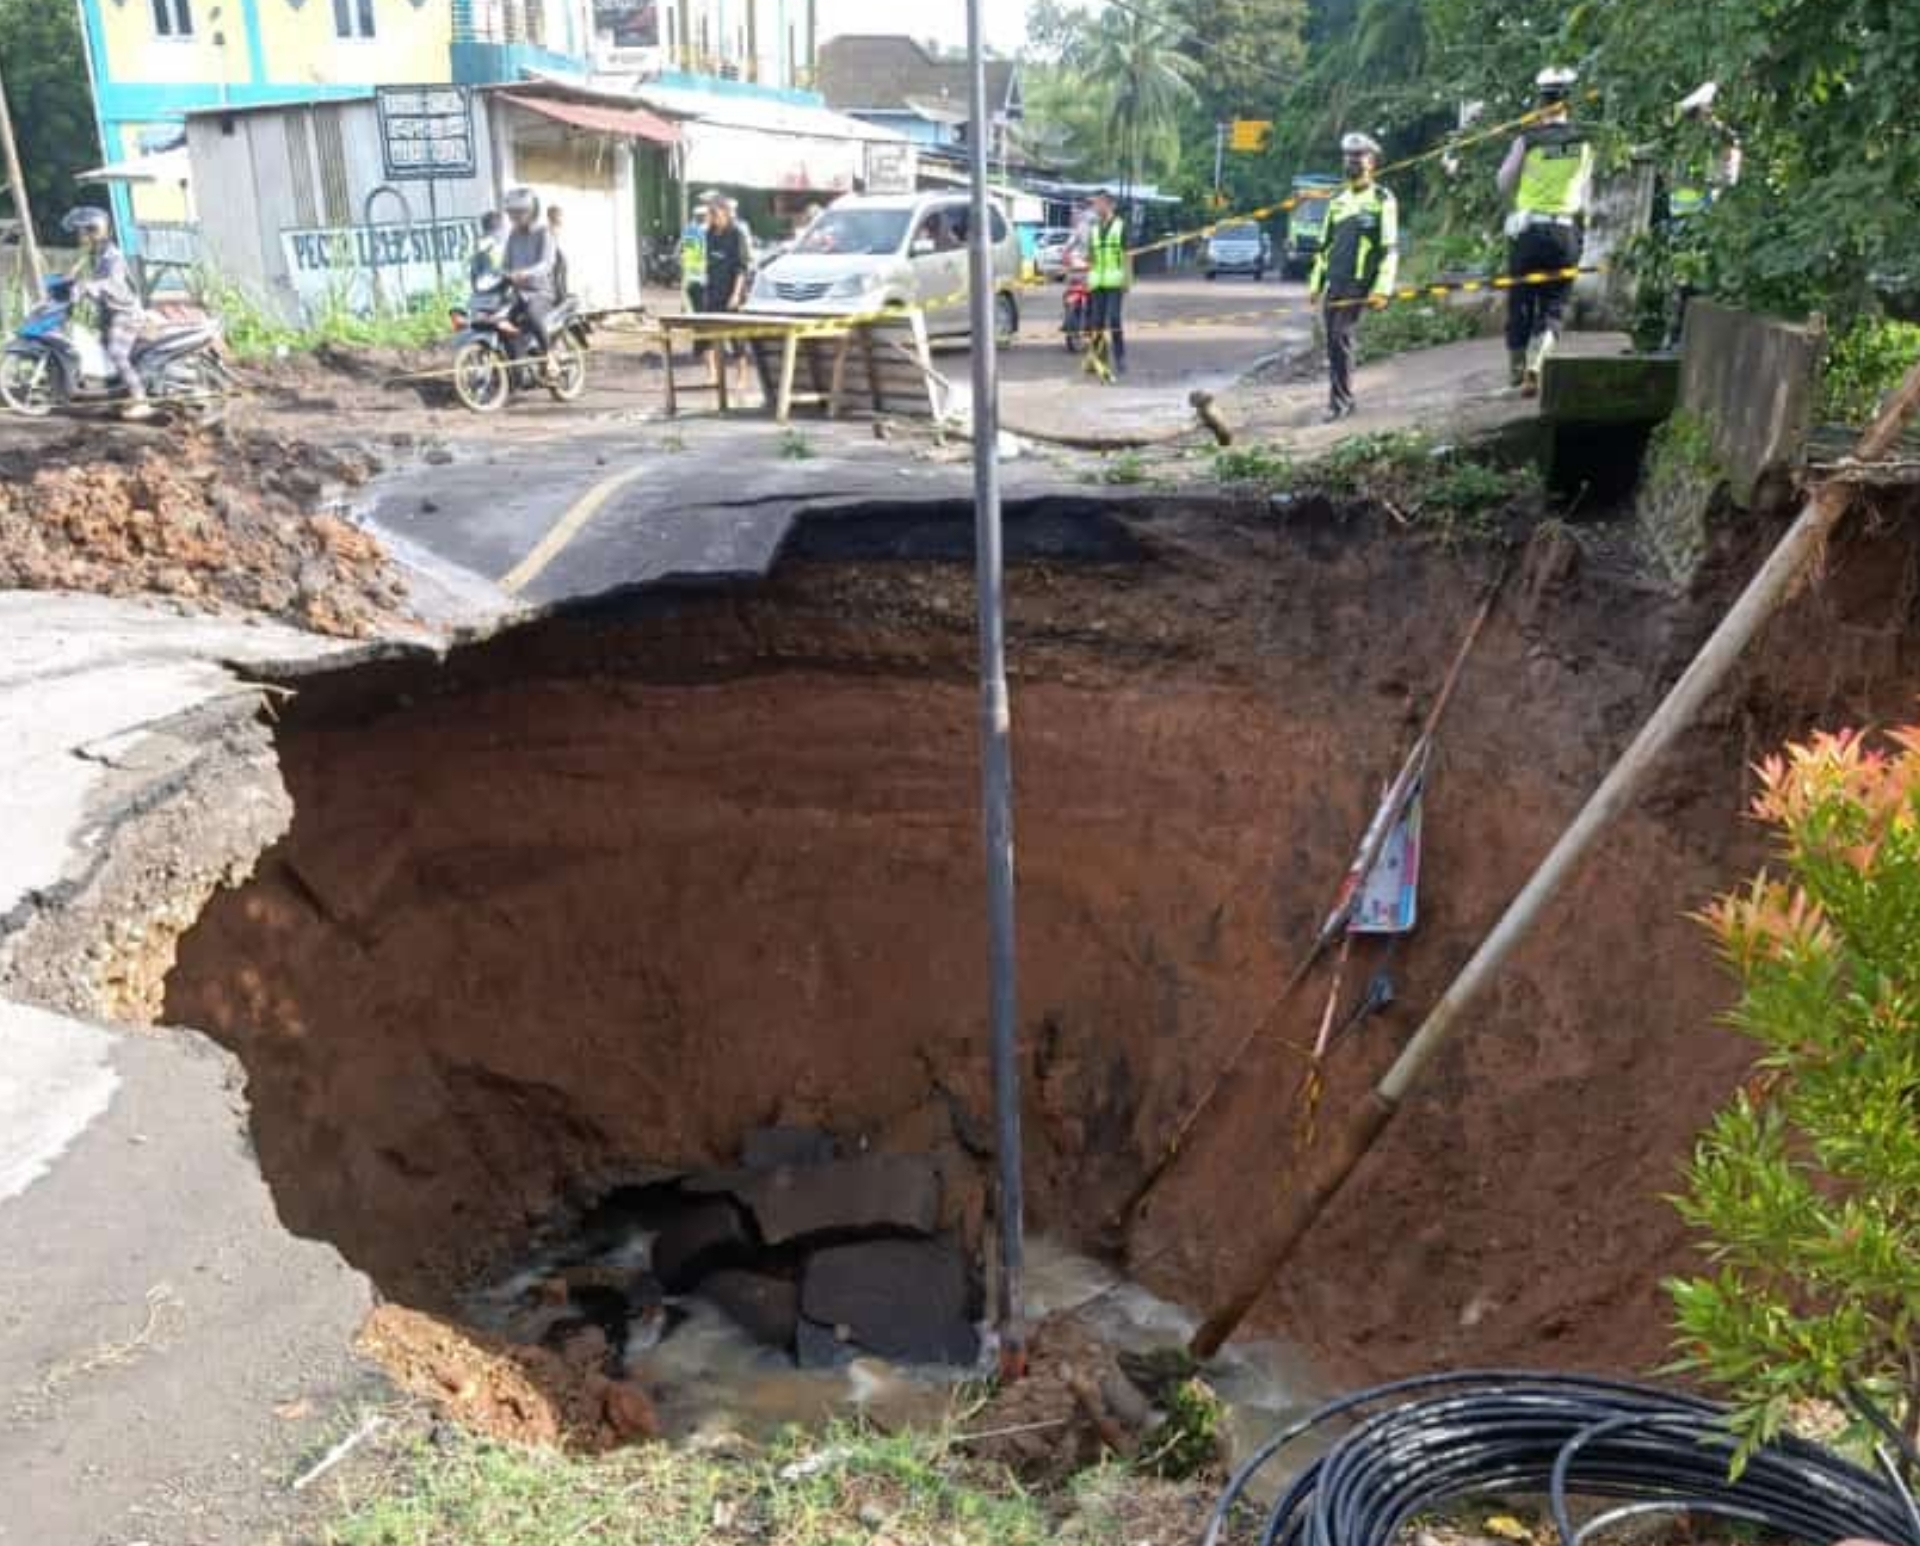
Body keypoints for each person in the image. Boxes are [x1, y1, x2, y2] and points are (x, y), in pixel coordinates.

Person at [1497, 66, 1594, 395]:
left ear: (1541, 101)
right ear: (1569, 101)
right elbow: (1586, 186)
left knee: (1520, 300)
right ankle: (1537, 363)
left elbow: (1503, 181)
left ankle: (1515, 371)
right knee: (1554, 303)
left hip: (1528, 231)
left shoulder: (1528, 139)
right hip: (1565, 233)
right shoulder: (1585, 140)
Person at [1309, 132, 1399, 422]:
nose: (1352, 161)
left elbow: (1390, 249)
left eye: (1358, 156)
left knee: (1340, 336)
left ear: (1371, 161)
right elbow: (1324, 247)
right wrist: (1316, 284)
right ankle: (1339, 400)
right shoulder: (1337, 200)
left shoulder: (1382, 198)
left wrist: (1383, 289)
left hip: (1359, 283)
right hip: (1334, 281)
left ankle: (1341, 403)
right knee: (1333, 343)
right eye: (1348, 156)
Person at [62, 206, 149, 419]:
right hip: (109, 313)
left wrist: (88, 286)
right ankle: (113, 395)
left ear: (95, 232)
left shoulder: (113, 256)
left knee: (116, 353)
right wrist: (68, 281)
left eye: (84, 232)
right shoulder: (95, 255)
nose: (81, 237)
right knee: (95, 350)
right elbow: (75, 275)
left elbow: (113, 284)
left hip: (125, 313)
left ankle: (141, 399)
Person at [701, 194, 754, 393]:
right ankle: (712, 374)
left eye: (715, 214)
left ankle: (741, 378)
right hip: (712, 291)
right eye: (710, 215)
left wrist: (735, 294)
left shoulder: (736, 234)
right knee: (706, 335)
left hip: (732, 292)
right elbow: (701, 262)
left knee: (736, 338)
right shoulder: (708, 234)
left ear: (725, 214)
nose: (713, 218)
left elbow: (742, 268)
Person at [501, 185, 559, 359]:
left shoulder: (544, 233)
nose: (514, 217)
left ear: (532, 212)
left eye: (519, 212)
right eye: (512, 213)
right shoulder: (513, 235)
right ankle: (517, 362)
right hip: (519, 294)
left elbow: (547, 264)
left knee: (532, 314)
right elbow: (506, 263)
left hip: (541, 293)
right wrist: (498, 274)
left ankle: (549, 356)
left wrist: (524, 274)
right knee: (499, 319)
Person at [1083, 188, 1129, 376]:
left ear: (1110, 205)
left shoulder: (1120, 226)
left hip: (1115, 281)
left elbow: (1128, 256)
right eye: (1094, 203)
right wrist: (1086, 274)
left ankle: (1120, 357)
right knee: (1096, 322)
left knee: (1114, 320)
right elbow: (1091, 256)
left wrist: (1127, 279)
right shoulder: (1093, 229)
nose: (1095, 206)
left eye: (1098, 203)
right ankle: (1100, 359)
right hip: (1096, 283)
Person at [680, 198, 710, 314]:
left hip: (690, 277)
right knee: (702, 311)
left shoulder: (688, 230)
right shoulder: (705, 231)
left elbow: (686, 253)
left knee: (696, 309)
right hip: (702, 277)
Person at [546, 203, 572, 300]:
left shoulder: (556, 227)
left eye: (560, 215)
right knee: (557, 274)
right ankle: (560, 295)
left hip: (558, 252)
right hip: (554, 253)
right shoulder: (549, 228)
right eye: (558, 215)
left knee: (562, 271)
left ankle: (563, 293)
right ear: (551, 216)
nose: (560, 217)